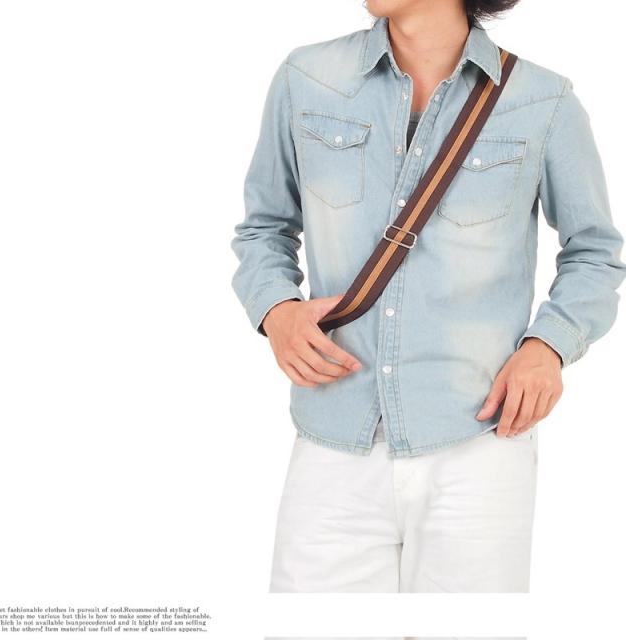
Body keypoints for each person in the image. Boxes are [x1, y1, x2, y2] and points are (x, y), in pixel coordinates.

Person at [230, 0, 626, 595]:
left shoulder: (543, 100)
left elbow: (594, 252)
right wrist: (276, 310)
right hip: (333, 439)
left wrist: (548, 347)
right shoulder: (307, 78)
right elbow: (264, 227)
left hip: (479, 444)